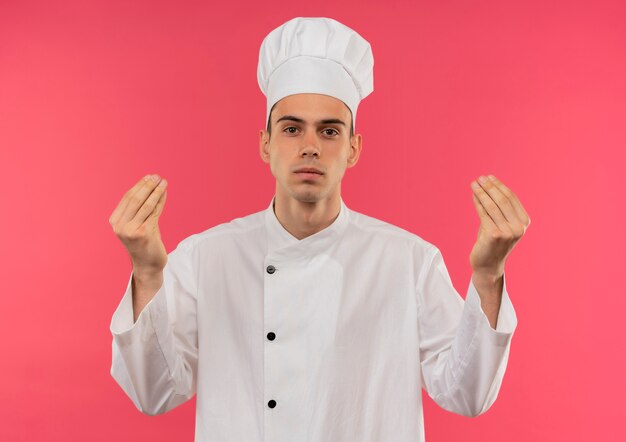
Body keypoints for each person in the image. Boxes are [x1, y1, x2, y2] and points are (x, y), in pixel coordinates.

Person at [108, 16, 530, 442]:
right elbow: (154, 392)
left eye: (330, 131)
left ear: (353, 148)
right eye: (292, 128)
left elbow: (466, 394)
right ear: (265, 143)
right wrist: (146, 273)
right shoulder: (205, 258)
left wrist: (488, 277)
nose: (310, 145)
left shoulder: (409, 261)